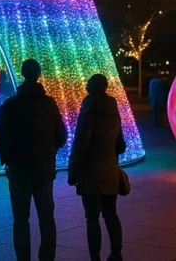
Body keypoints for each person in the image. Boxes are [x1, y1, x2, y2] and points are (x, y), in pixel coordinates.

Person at [0, 59, 67, 261]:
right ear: (39, 74)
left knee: (20, 219)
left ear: (23, 74)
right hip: (44, 169)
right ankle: (47, 257)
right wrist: (49, 151)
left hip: (19, 170)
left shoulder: (11, 104)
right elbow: (62, 135)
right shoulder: (50, 104)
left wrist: (8, 159)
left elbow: (0, 136)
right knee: (46, 218)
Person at [68, 74, 126, 261]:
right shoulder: (113, 107)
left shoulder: (89, 106)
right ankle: (116, 254)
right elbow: (121, 144)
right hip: (110, 170)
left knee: (92, 218)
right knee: (111, 214)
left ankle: (95, 258)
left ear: (90, 87)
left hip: (91, 172)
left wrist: (73, 170)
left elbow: (81, 142)